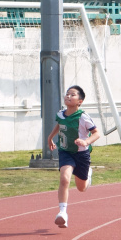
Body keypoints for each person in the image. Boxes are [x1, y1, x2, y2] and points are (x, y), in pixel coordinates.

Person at [47, 85, 100, 229]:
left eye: (73, 95)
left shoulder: (83, 117)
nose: (68, 96)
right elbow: (60, 125)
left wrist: (86, 142)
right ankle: (62, 213)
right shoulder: (60, 114)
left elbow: (96, 133)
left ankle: (88, 175)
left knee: (81, 188)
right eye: (67, 94)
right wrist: (50, 137)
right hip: (65, 152)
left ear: (80, 101)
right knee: (64, 179)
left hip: (81, 153)